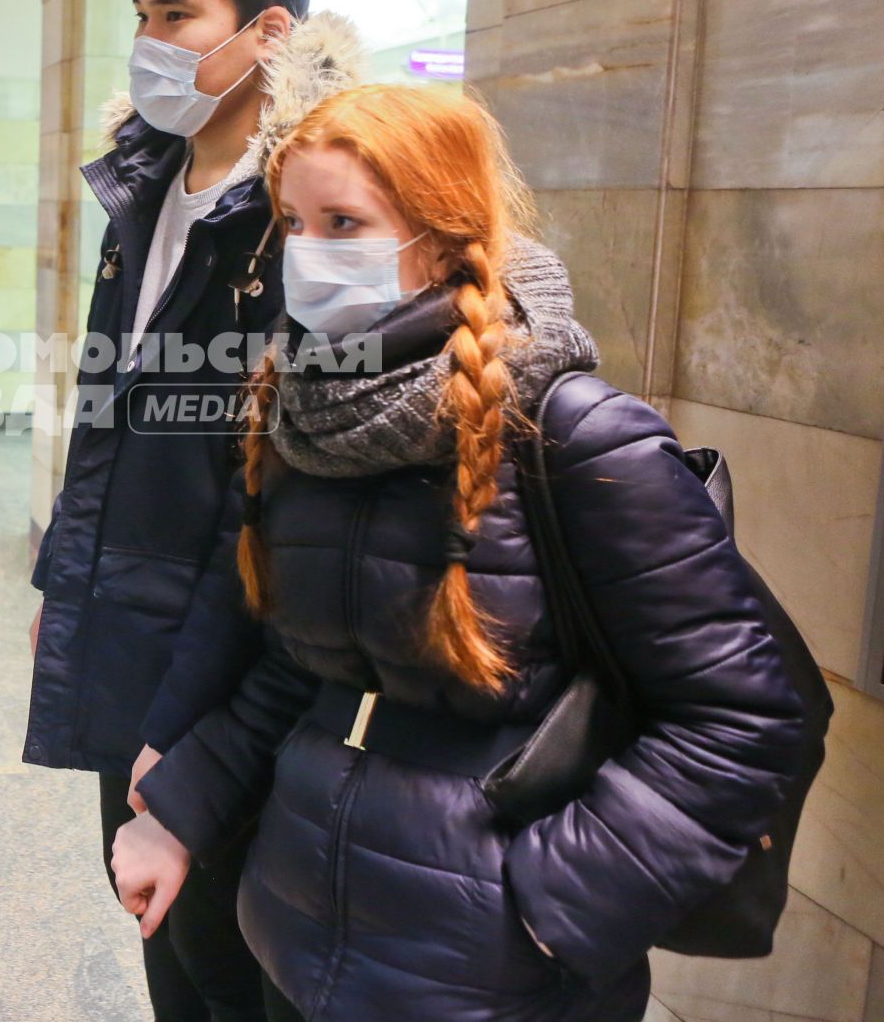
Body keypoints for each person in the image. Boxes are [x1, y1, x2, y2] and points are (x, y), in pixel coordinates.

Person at [110, 84, 808, 1021]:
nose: (308, 255)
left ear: (439, 236)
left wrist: (543, 909)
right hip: (299, 936)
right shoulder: (307, 423)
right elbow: (303, 673)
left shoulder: (576, 436)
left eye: (344, 222)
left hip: (497, 978)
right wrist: (182, 817)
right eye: (293, 224)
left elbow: (743, 718)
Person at [24, 0, 356, 1022]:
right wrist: (60, 581)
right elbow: (108, 416)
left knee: (233, 960)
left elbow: (265, 494)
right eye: (141, 11)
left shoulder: (301, 213)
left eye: (178, 11)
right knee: (164, 941)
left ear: (265, 32)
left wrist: (198, 719)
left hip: (236, 661)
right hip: (126, 620)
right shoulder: (144, 188)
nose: (150, 39)